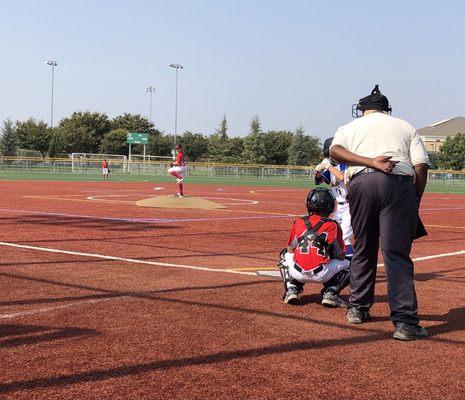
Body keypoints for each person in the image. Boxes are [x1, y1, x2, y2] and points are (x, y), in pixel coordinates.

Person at [330, 85, 429, 341]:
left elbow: (335, 151)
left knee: (364, 247)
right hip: (397, 184)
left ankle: (357, 308)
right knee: (395, 253)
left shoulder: (349, 128)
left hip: (361, 184)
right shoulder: (405, 126)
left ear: (362, 109)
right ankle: (405, 322)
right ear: (386, 109)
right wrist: (415, 198)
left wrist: (369, 162)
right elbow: (420, 167)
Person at [279, 187, 350, 308]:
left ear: (308, 205)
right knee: (352, 262)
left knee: (284, 254)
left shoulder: (299, 222)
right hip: (322, 273)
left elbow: (290, 248)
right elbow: (340, 255)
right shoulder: (333, 225)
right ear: (331, 207)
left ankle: (292, 288)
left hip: (297, 272)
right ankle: (331, 292)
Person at [314, 137, 354, 260]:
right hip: (339, 208)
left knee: (345, 237)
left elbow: (342, 177)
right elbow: (318, 181)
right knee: (335, 233)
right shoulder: (330, 165)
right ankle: (340, 260)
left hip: (350, 206)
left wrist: (329, 167)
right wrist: (318, 171)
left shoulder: (346, 165)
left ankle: (350, 265)